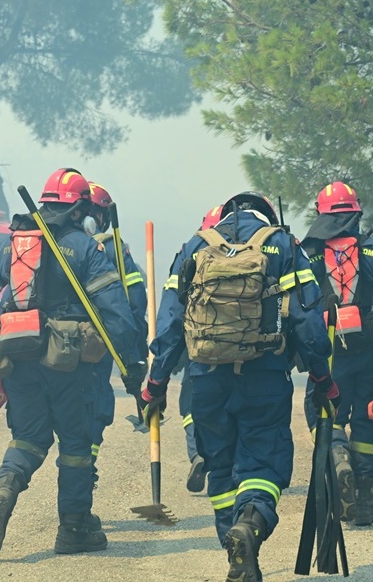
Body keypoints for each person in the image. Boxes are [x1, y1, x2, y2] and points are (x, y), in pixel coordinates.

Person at [142, 191, 334, 582]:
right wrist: (322, 377)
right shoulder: (282, 244)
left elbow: (169, 324)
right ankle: (250, 526)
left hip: (207, 379)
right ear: (263, 215)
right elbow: (308, 322)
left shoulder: (195, 245)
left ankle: (237, 552)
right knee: (264, 464)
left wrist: (155, 383)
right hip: (264, 376)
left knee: (222, 470)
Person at [0, 168, 147, 556]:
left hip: (18, 356)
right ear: (80, 207)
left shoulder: (13, 244)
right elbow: (117, 315)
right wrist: (132, 366)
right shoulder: (86, 248)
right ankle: (74, 528)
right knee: (76, 446)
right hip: (69, 366)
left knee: (28, 439)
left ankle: (6, 488)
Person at [300, 180, 373, 527]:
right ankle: (365, 504)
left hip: (329, 355)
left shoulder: (308, 257)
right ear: (356, 213)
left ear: (321, 214)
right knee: (369, 419)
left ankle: (338, 455)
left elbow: (297, 311)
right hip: (372, 354)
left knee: (322, 412)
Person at [84, 182, 148, 485]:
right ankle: (82, 471)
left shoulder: (50, 242)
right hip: (97, 345)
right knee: (95, 408)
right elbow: (134, 303)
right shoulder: (113, 249)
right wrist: (135, 354)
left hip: (52, 344)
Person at [175, 204, 224, 493]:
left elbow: (173, 311)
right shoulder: (251, 255)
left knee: (191, 406)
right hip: (241, 351)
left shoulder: (190, 252)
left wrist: (163, 366)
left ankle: (197, 454)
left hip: (197, 350)